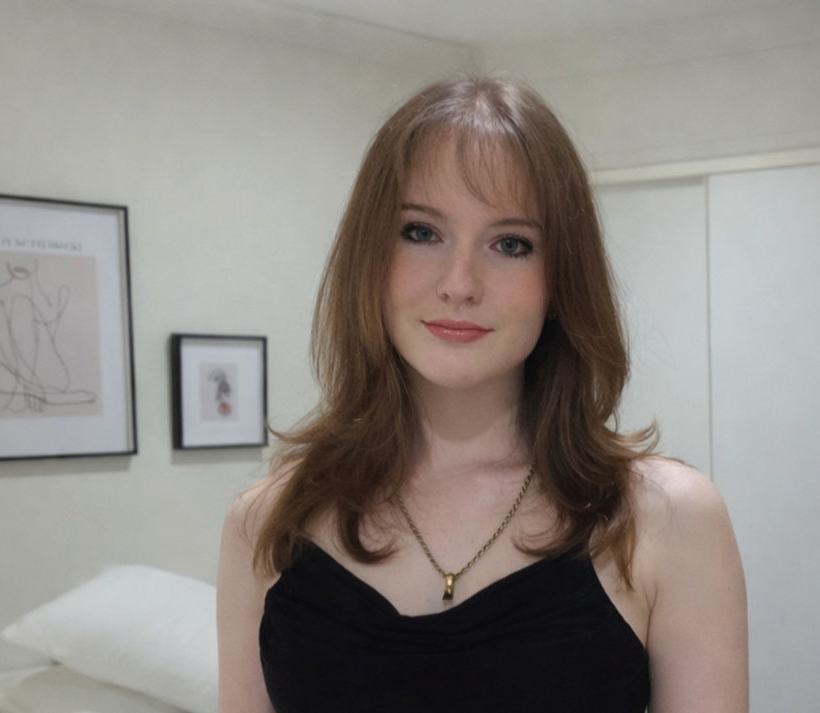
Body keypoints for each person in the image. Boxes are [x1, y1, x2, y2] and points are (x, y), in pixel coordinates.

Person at [217, 76, 748, 712]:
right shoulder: (266, 520)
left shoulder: (667, 520)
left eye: (510, 244)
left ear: (560, 282)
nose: (460, 283)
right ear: (369, 258)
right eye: (420, 232)